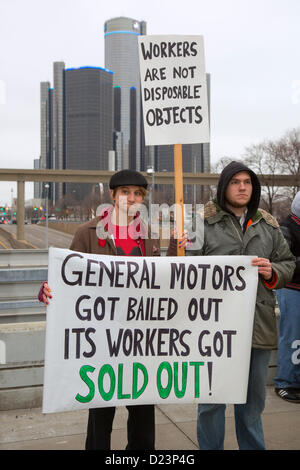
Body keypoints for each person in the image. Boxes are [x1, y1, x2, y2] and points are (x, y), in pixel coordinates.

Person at [39, 169, 185, 450]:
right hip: (103, 339)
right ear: (113, 196)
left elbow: (162, 279)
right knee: (100, 417)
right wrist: (46, 290)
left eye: (138, 194)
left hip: (141, 340)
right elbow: (68, 277)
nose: (132, 199)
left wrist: (176, 250)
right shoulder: (88, 233)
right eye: (125, 193)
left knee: (143, 416)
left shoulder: (148, 235)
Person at [186, 161, 295, 450]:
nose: (242, 187)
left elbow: (288, 264)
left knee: (251, 405)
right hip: (213, 331)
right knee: (211, 404)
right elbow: (183, 271)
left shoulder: (268, 225)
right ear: (224, 187)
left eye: (247, 182)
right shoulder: (200, 223)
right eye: (235, 182)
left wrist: (273, 272)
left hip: (256, 327)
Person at [274, 191, 300, 403]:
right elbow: (284, 261)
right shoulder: (286, 228)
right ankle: (285, 382)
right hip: (291, 288)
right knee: (292, 337)